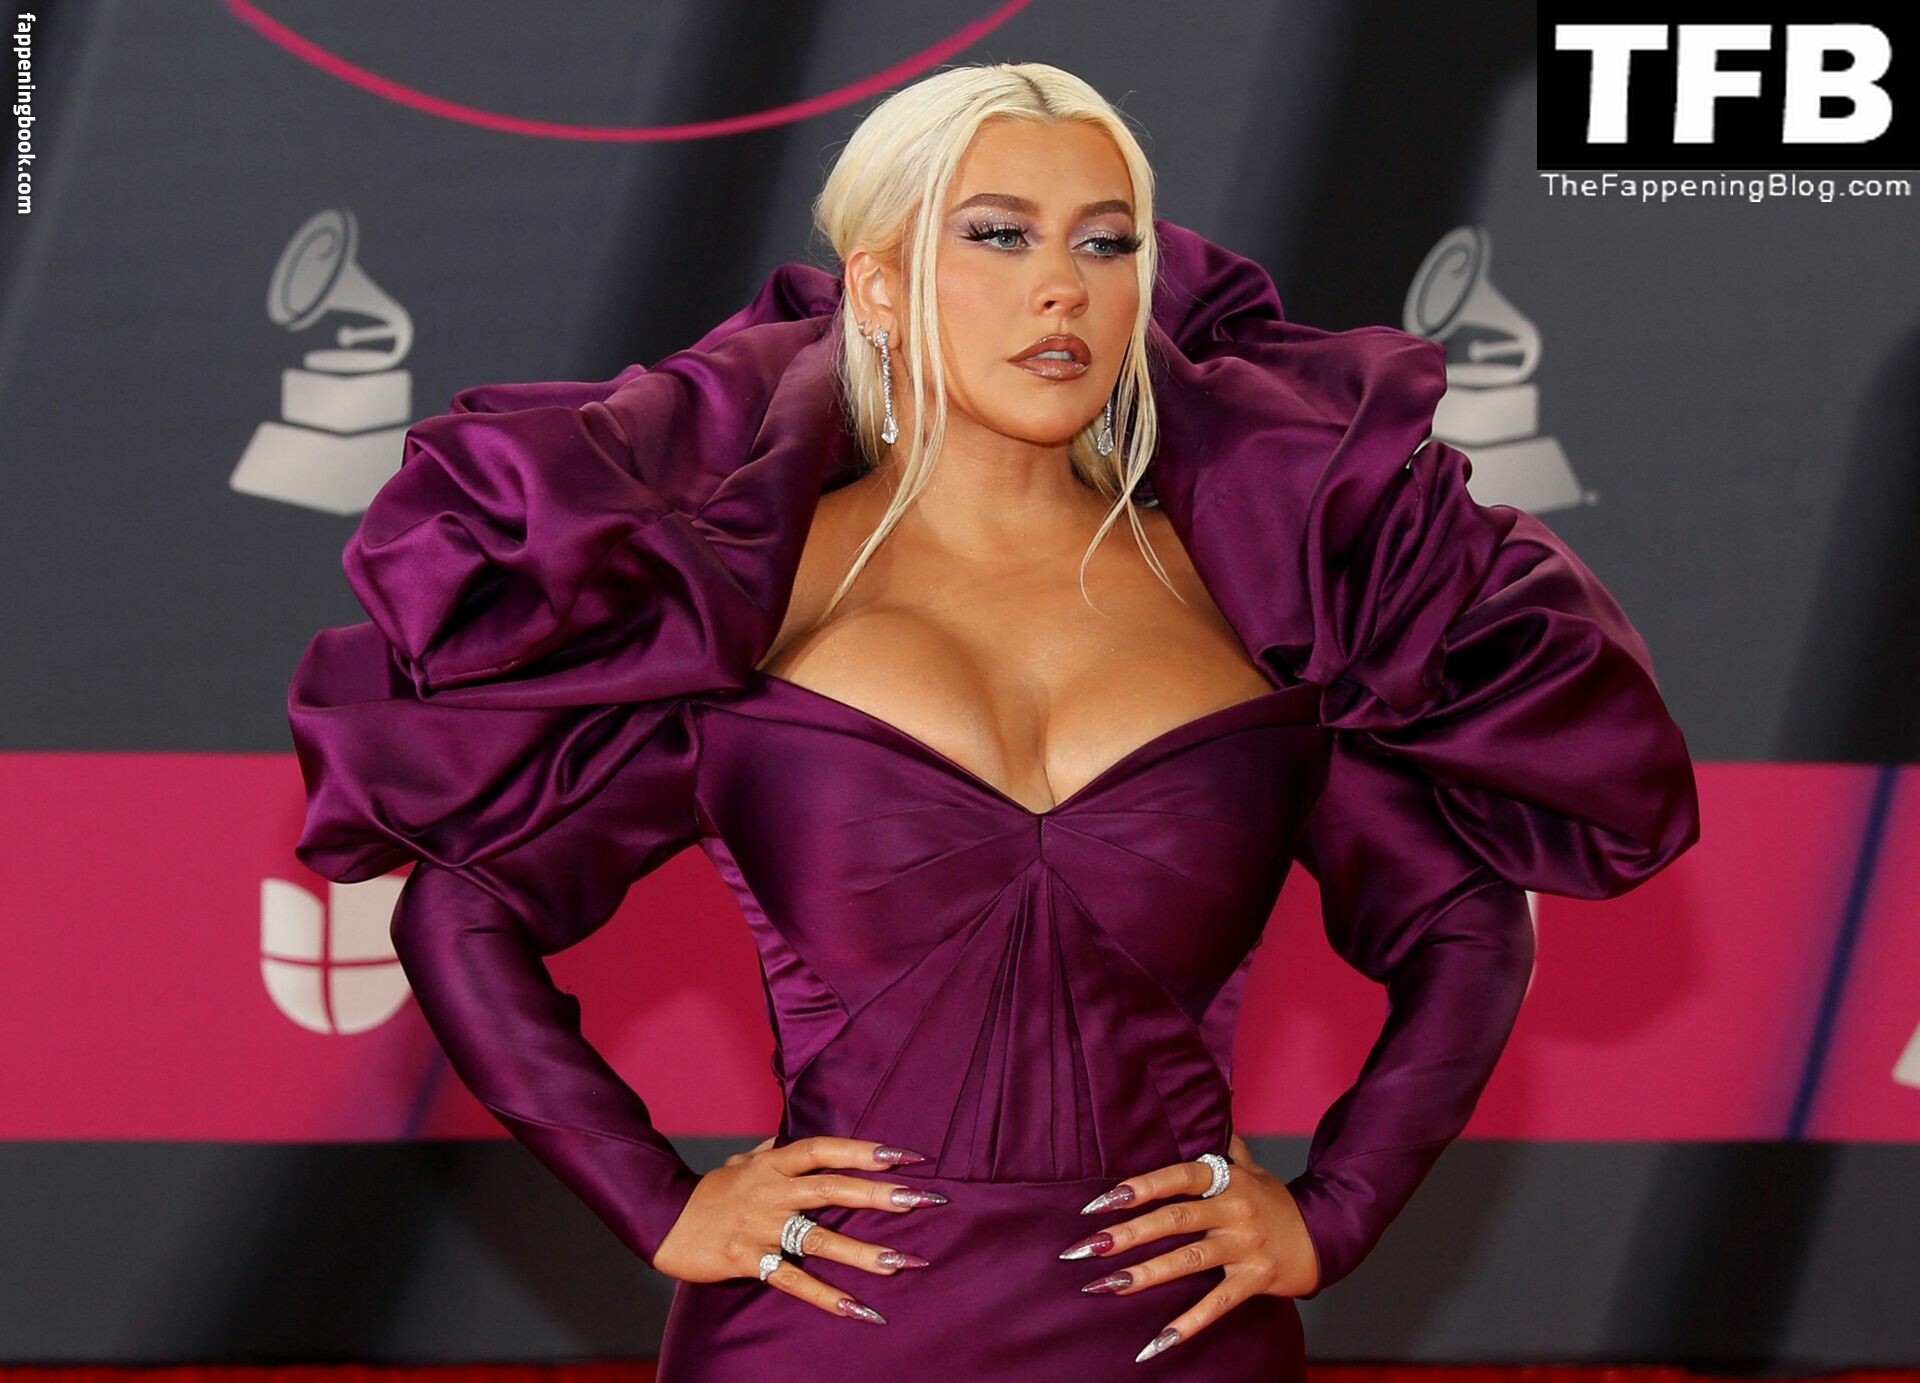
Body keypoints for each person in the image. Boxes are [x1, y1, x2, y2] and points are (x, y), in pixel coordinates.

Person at [287, 62, 1699, 1381]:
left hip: (1181, 1337)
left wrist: (1335, 1212)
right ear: (879, 284)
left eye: (1106, 242)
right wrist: (661, 1203)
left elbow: (1468, 924)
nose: (1063, 288)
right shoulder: (751, 597)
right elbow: (463, 907)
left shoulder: (1259, 589)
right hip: (822, 1336)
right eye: (1001, 235)